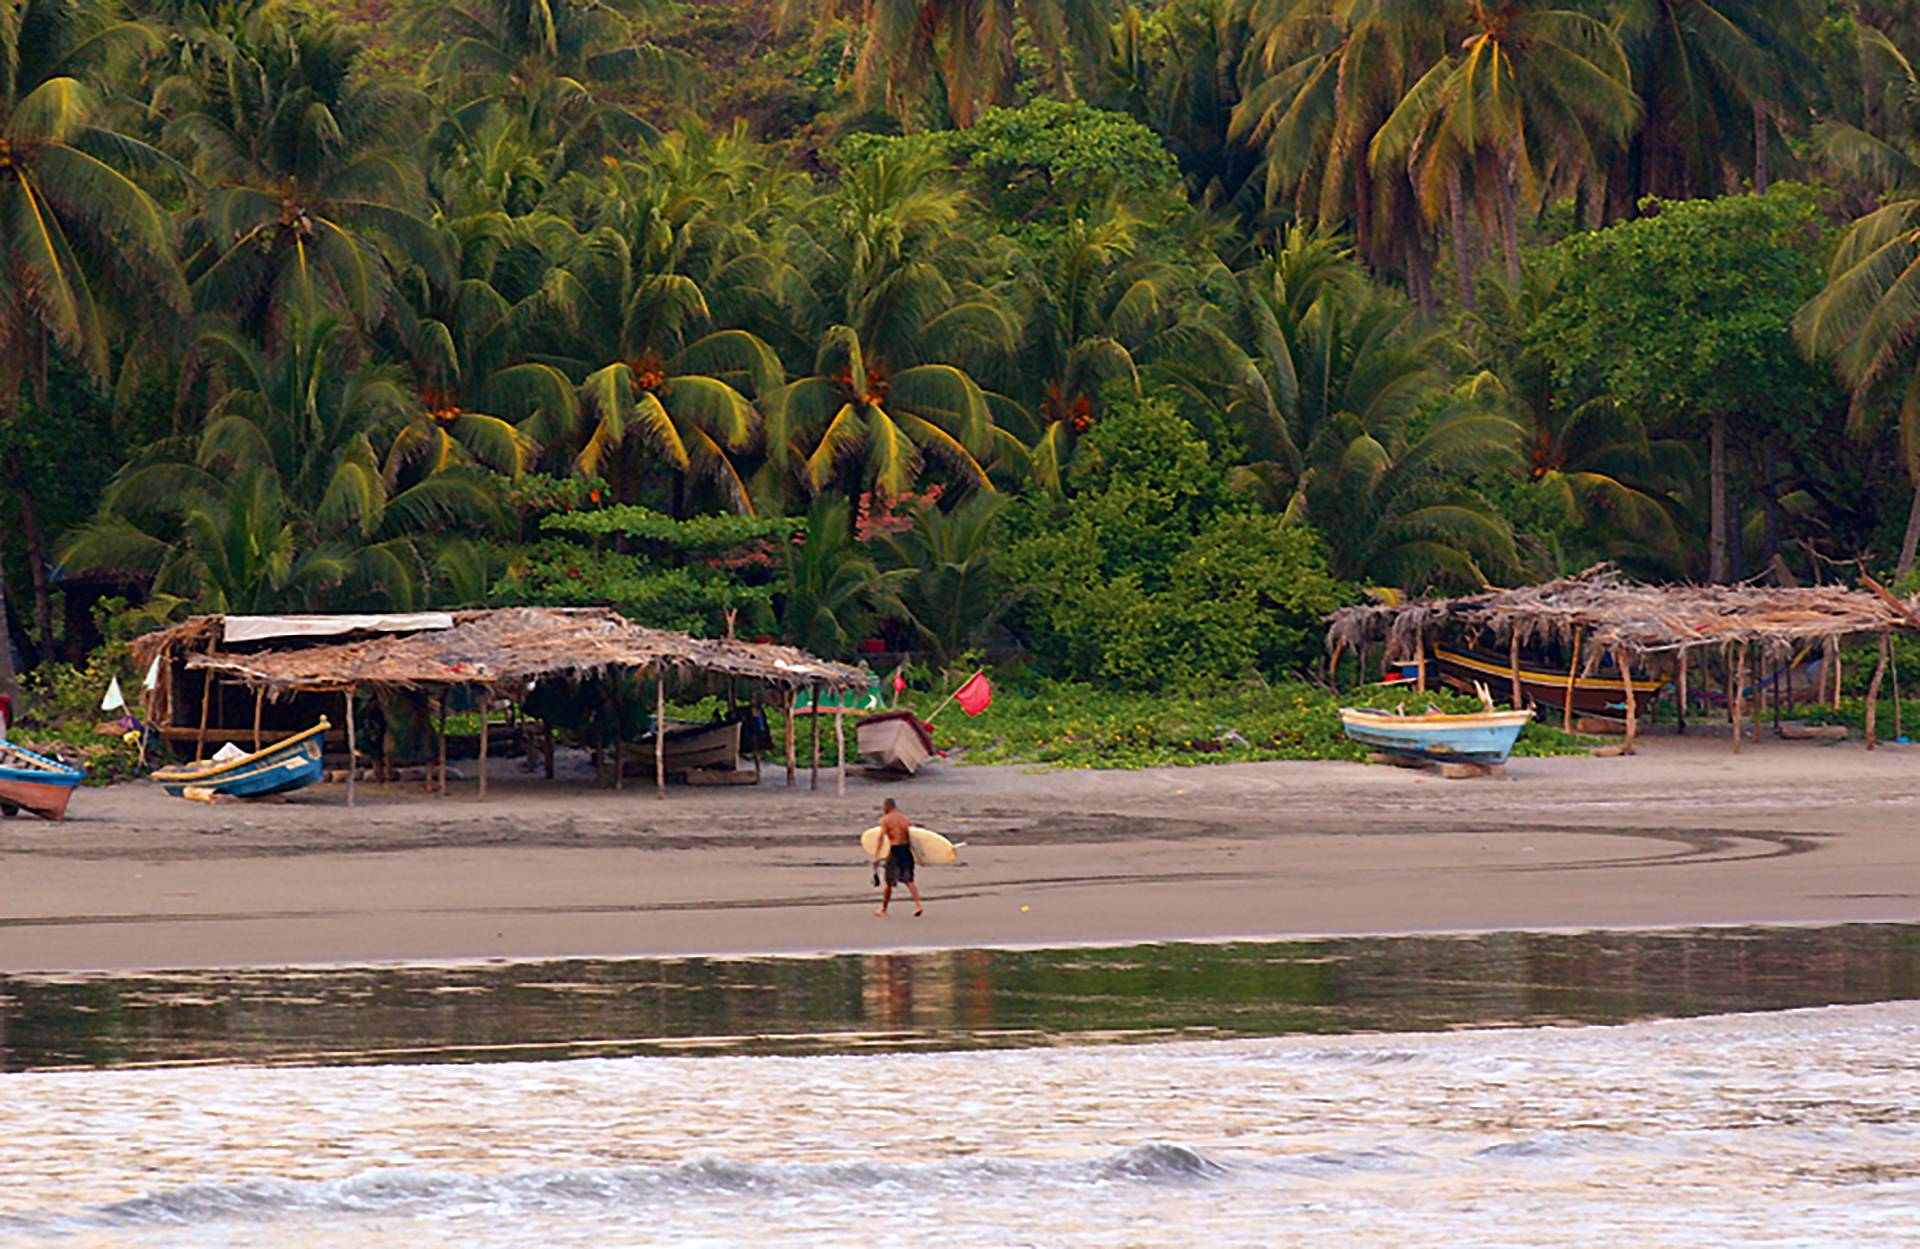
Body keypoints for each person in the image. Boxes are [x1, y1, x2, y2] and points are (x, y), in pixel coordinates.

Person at [873, 797, 922, 917]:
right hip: (906, 850)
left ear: (887, 807)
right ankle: (918, 905)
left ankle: (884, 909)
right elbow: (913, 835)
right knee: (909, 880)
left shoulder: (885, 820)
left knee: (889, 882)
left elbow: (880, 837)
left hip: (895, 851)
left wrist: (877, 855)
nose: (883, 809)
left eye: (883, 806)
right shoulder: (904, 819)